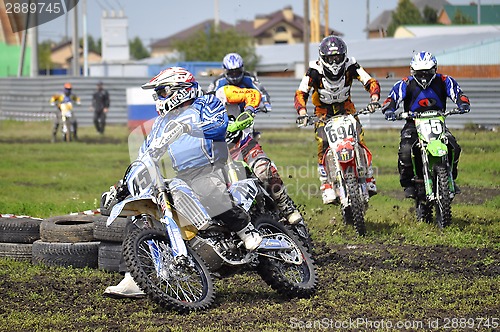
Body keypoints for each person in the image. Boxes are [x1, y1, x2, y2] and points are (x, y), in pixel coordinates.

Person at [102, 67, 263, 298]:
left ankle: (245, 230)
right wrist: (121, 187)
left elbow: (219, 127)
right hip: (182, 176)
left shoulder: (206, 104)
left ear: (179, 89)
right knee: (141, 214)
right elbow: (145, 155)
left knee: (206, 187)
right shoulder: (160, 123)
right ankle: (133, 277)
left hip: (212, 168)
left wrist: (188, 126)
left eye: (162, 91)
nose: (158, 97)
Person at [208, 53, 303, 225]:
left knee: (263, 169)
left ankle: (285, 205)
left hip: (243, 133)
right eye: (232, 72)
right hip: (219, 147)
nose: (235, 76)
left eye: (238, 72)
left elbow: (257, 94)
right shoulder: (215, 88)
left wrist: (254, 108)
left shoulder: (232, 87)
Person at [294, 35, 381, 204]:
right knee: (323, 143)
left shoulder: (351, 65)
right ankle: (326, 184)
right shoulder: (314, 70)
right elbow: (301, 92)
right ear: (322, 57)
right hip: (322, 112)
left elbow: (369, 81)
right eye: (330, 58)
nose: (334, 62)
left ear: (344, 56)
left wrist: (374, 98)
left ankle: (369, 177)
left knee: (358, 139)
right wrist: (302, 112)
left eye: (337, 57)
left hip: (346, 108)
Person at [381, 51, 471, 198]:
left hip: (437, 122)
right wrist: (389, 110)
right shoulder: (405, 83)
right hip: (413, 123)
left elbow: (458, 94)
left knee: (454, 147)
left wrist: (463, 103)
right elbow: (392, 99)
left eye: (427, 72)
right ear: (412, 71)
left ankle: (451, 178)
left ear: (435, 69)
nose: (423, 76)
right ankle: (408, 183)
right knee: (405, 150)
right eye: (420, 73)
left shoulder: (444, 81)